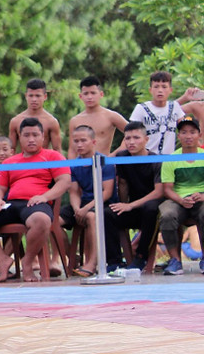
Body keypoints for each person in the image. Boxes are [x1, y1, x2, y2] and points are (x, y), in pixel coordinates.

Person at [0, 117, 71, 283]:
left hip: (36, 204)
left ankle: (28, 262)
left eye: (35, 135)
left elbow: (64, 182)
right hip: (11, 204)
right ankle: (2, 260)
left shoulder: (53, 156)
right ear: (19, 137)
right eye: (26, 135)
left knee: (41, 219)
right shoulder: (9, 161)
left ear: (43, 136)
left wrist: (44, 197)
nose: (31, 139)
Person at [104, 121, 163, 271]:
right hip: (133, 208)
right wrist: (123, 205)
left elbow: (158, 192)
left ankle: (141, 258)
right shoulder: (122, 156)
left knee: (151, 209)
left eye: (136, 138)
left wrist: (130, 205)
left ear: (146, 140)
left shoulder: (156, 160)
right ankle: (114, 262)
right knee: (108, 213)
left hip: (152, 209)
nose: (131, 142)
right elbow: (122, 184)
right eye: (127, 138)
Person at [58, 126, 116, 277]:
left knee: (91, 216)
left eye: (83, 140)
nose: (79, 145)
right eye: (76, 141)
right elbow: (74, 191)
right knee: (52, 221)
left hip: (104, 203)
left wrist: (86, 208)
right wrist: (77, 208)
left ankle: (92, 262)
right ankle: (71, 255)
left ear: (93, 142)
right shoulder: (74, 164)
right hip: (82, 203)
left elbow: (107, 192)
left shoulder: (105, 162)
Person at [159, 116, 204, 275]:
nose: (188, 136)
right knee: (167, 214)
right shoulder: (172, 159)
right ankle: (175, 260)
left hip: (201, 198)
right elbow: (167, 189)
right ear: (179, 136)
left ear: (199, 134)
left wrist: (202, 195)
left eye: (192, 132)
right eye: (184, 132)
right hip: (178, 199)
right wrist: (180, 200)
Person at [129, 71, 190, 155]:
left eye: (164, 87)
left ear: (170, 90)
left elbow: (186, 130)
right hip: (147, 159)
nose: (160, 90)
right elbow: (131, 134)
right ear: (150, 90)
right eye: (156, 87)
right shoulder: (141, 109)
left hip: (168, 160)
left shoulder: (175, 107)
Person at [67, 76, 128, 158]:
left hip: (104, 164)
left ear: (101, 94)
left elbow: (132, 133)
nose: (89, 97)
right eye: (86, 93)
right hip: (82, 166)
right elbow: (72, 149)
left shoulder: (111, 116)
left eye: (93, 93)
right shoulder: (75, 120)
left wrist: (114, 155)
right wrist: (72, 167)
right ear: (80, 96)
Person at [8, 79, 62, 153]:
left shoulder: (51, 122)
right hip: (23, 163)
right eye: (31, 95)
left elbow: (57, 150)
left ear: (45, 96)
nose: (34, 99)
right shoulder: (16, 121)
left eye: (38, 96)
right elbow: (11, 150)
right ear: (26, 96)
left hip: (43, 163)